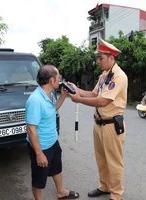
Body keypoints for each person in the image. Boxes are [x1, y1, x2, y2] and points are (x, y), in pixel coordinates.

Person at [68, 38, 128, 200]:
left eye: (101, 58)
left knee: (114, 162)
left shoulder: (119, 76)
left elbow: (103, 101)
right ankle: (104, 186)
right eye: (98, 58)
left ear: (111, 58)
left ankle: (116, 195)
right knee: (101, 159)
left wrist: (78, 99)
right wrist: (77, 90)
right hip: (99, 124)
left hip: (111, 125)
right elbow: (94, 94)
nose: (98, 61)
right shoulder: (104, 76)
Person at [25, 65, 79, 200]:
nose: (60, 79)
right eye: (58, 77)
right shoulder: (35, 100)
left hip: (52, 142)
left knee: (56, 168)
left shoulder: (49, 94)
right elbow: (31, 129)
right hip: (41, 146)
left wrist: (63, 96)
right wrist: (39, 154)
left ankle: (61, 191)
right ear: (51, 80)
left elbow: (53, 110)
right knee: (39, 178)